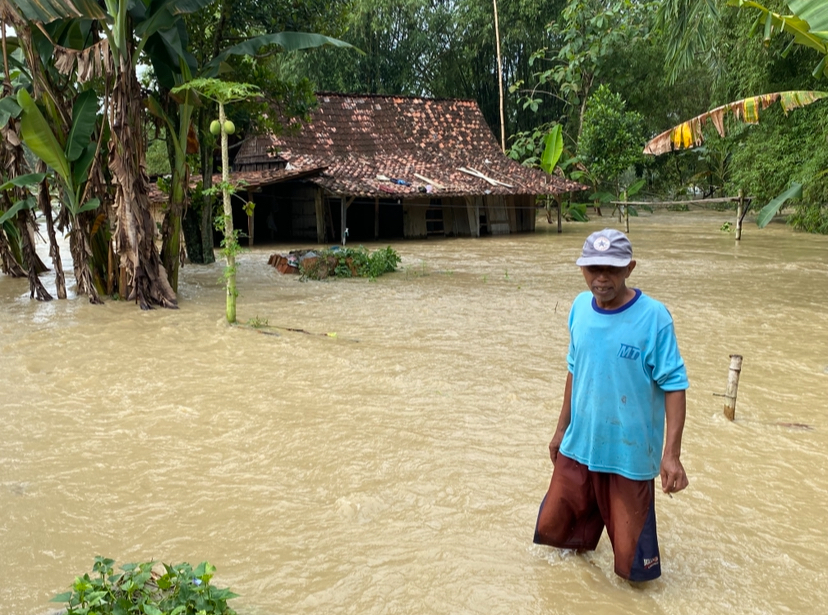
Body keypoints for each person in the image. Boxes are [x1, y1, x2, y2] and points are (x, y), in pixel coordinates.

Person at [533, 228, 689, 582]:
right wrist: (560, 431)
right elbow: (575, 370)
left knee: (633, 574)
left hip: (628, 458)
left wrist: (671, 455)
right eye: (594, 269)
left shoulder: (654, 318)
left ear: (629, 268)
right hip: (579, 446)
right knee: (556, 543)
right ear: (581, 268)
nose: (601, 278)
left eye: (612, 269)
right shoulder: (579, 308)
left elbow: (675, 385)